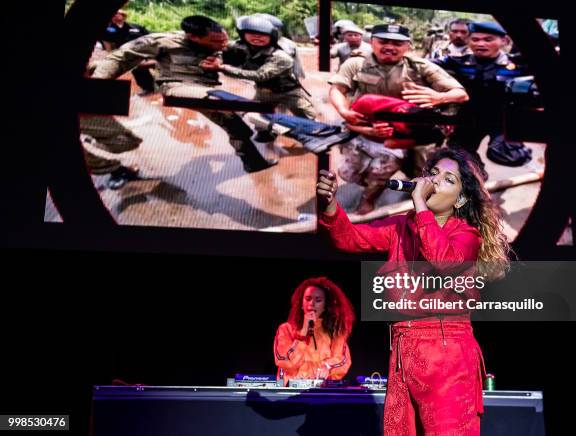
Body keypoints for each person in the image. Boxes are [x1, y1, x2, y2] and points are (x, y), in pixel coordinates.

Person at [316, 147, 511, 435]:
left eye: (448, 179)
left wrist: (419, 205)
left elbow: (442, 261)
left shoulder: (466, 234)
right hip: (404, 349)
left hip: (447, 351)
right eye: (432, 174)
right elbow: (352, 239)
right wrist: (331, 204)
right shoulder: (400, 227)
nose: (433, 182)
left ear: (460, 198)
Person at [92, 15, 276, 174]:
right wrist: (97, 85)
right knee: (221, 100)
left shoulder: (221, 43)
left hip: (204, 88)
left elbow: (242, 60)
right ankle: (252, 112)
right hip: (176, 87)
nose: (222, 44)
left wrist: (225, 57)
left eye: (224, 39)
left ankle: (253, 163)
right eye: (216, 42)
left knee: (235, 125)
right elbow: (120, 58)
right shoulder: (162, 41)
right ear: (193, 37)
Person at [328, 23, 468, 215]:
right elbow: (337, 89)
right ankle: (371, 192)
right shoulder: (356, 63)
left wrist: (439, 97)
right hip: (369, 127)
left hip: (413, 129)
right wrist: (344, 111)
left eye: (397, 43)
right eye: (383, 41)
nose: (390, 47)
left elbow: (460, 94)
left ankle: (403, 200)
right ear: (372, 42)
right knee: (358, 171)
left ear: (408, 46)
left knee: (422, 171)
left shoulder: (420, 67)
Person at [434, 21, 533, 173]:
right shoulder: (458, 62)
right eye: (475, 39)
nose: (480, 44)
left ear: (504, 41)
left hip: (502, 120)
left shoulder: (518, 65)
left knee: (508, 155)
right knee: (456, 159)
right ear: (469, 41)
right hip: (469, 119)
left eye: (488, 40)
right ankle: (476, 174)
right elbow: (426, 66)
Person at [274, 277, 355, 386]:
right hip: (291, 392)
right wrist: (303, 332)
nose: (311, 303)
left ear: (325, 306)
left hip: (322, 391)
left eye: (318, 300)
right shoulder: (286, 329)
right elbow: (285, 362)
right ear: (301, 303)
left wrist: (327, 367)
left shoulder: (335, 331)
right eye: (308, 299)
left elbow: (342, 361)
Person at [99, 8, 155, 95]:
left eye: (119, 13)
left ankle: (157, 84)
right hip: (126, 55)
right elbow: (108, 45)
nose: (117, 15)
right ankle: (148, 88)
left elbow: (151, 38)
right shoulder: (108, 31)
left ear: (124, 16)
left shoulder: (136, 27)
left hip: (144, 52)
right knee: (137, 68)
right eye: (114, 14)